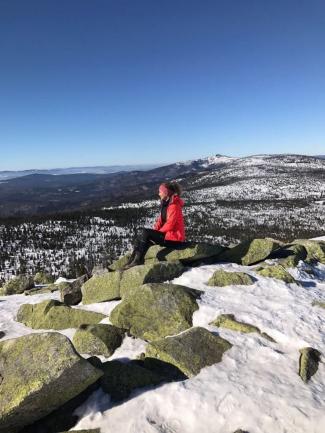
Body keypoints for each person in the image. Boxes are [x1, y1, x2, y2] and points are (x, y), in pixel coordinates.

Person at [123, 181, 186, 269]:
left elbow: (170, 224)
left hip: (174, 239)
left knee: (145, 232)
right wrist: (155, 232)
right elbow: (160, 220)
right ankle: (132, 260)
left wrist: (157, 233)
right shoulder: (166, 204)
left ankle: (138, 260)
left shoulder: (174, 206)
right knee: (141, 236)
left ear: (166, 193)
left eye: (160, 192)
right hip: (167, 235)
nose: (159, 193)